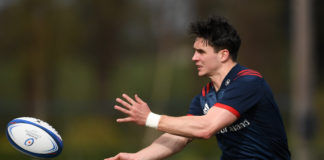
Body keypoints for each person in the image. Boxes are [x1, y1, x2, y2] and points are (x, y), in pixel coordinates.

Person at [105, 16, 291, 160]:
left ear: (223, 54)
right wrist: (138, 157)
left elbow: (206, 127)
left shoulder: (248, 82)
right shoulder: (204, 97)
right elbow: (179, 136)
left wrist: (150, 118)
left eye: (201, 52)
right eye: (194, 51)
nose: (194, 58)